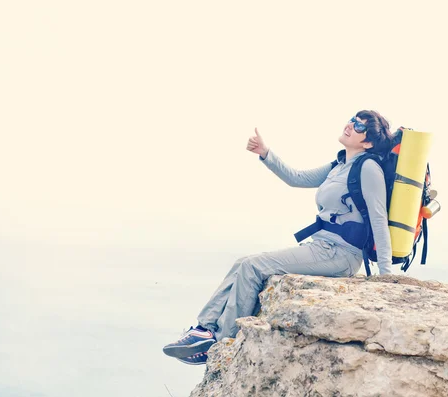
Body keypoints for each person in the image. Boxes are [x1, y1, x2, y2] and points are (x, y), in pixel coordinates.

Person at [163, 110, 394, 365]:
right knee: (243, 262)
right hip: (322, 246)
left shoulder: (369, 168)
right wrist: (265, 153)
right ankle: (204, 328)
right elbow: (296, 178)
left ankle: (220, 341)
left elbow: (378, 219)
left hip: (341, 254)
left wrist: (386, 276)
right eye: (352, 119)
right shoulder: (339, 165)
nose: (350, 125)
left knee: (254, 266)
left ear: (369, 142)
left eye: (359, 126)